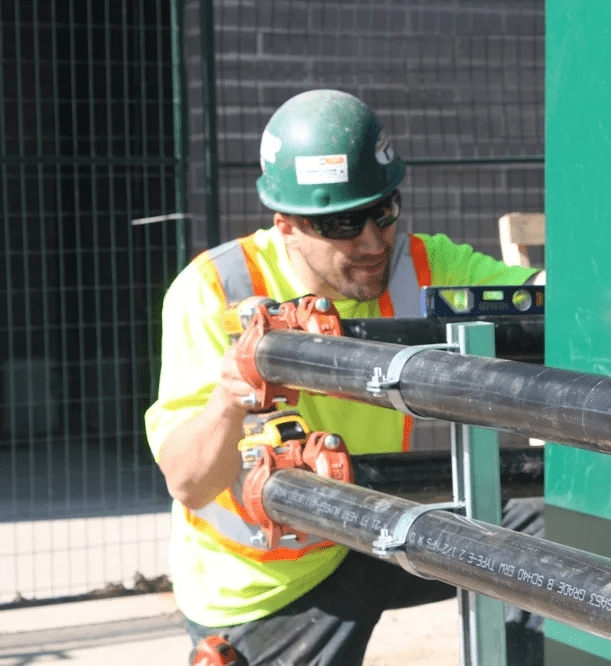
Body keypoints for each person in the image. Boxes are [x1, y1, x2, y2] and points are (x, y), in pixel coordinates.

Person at [145, 89, 545, 666]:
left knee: (552, 527)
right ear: (286, 225)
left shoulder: (420, 263)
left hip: (385, 516)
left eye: (383, 209)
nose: (373, 241)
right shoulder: (214, 291)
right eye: (342, 223)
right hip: (273, 580)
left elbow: (536, 294)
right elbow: (188, 482)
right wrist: (229, 401)